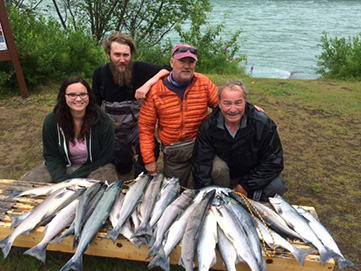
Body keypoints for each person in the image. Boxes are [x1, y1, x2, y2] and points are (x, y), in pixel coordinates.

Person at [138, 44, 219, 187]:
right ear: (171, 62)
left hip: (202, 146)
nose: (187, 66)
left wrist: (247, 107)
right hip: (174, 150)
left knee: (217, 174)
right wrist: (149, 160)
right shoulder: (155, 91)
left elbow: (224, 106)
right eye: (182, 61)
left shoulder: (204, 83)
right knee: (174, 191)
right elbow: (146, 128)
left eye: (191, 62)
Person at [192, 80, 288, 201]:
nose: (233, 109)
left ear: (245, 101)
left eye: (238, 103)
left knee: (277, 186)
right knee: (216, 168)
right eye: (227, 103)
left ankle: (248, 197)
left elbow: (274, 161)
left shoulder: (263, 124)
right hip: (226, 171)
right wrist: (204, 193)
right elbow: (201, 162)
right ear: (219, 103)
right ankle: (223, 195)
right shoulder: (208, 125)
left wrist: (246, 186)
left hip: (252, 171)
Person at [92, 31, 171, 177]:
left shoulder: (139, 69)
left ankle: (141, 176)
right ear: (108, 54)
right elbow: (94, 105)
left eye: (126, 55)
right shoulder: (100, 74)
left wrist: (147, 84)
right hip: (112, 129)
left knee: (151, 148)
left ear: (131, 55)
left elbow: (168, 69)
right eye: (117, 55)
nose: (122, 60)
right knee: (123, 163)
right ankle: (125, 164)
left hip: (136, 128)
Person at [19, 76, 116, 183]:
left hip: (96, 166)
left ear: (89, 96)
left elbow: (106, 156)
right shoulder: (51, 121)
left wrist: (74, 178)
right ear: (63, 97)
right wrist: (62, 181)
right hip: (64, 165)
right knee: (25, 185)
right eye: (72, 95)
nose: (78, 99)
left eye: (83, 94)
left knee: (101, 189)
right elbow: (51, 155)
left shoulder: (103, 121)